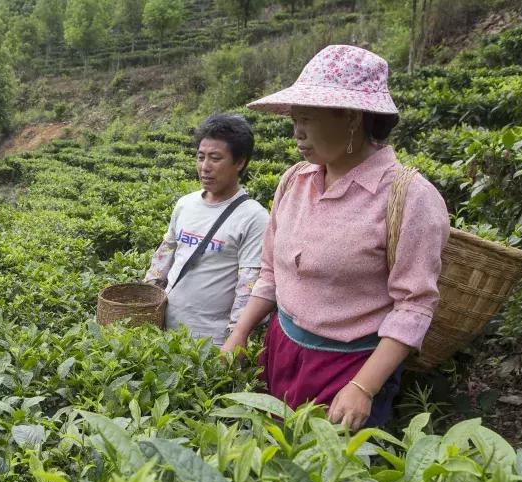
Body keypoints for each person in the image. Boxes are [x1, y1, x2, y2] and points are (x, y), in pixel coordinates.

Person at [223, 45, 450, 431]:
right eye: (295, 119)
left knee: (332, 479)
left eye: (307, 118)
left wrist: (363, 386)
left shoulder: (410, 197)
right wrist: (241, 332)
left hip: (350, 369)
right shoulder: (294, 180)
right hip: (282, 350)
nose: (297, 132)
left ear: (351, 118)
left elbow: (413, 306)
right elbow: (271, 273)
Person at [144, 113, 269, 345]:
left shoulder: (254, 218)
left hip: (211, 342)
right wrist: (144, 302)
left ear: (240, 162)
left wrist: (235, 339)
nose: (205, 167)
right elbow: (163, 259)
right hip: (164, 332)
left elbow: (248, 286)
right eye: (201, 157)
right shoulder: (185, 204)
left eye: (215, 158)